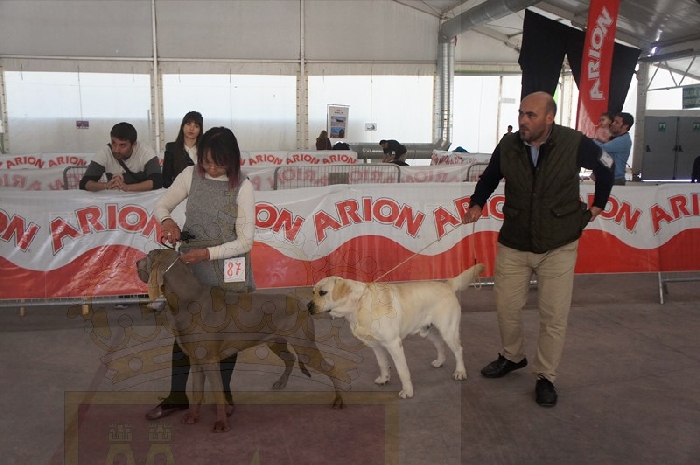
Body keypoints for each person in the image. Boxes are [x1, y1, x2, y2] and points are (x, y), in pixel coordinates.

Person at [462, 91, 614, 407]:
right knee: (505, 306)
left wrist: (598, 205)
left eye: (530, 115)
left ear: (549, 118)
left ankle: (546, 376)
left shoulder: (575, 142)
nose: (523, 120)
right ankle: (512, 356)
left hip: (559, 243)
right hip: (515, 240)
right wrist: (477, 203)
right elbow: (490, 176)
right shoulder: (509, 145)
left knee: (553, 314)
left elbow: (607, 166)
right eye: (521, 113)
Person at [146, 126, 256, 420]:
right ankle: (177, 396)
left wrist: (208, 253)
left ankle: (224, 395)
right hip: (192, 269)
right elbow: (162, 204)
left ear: (232, 159)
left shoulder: (243, 186)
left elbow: (245, 241)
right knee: (186, 331)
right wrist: (167, 221)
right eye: (206, 161)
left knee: (227, 334)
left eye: (219, 163)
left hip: (228, 267)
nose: (211, 168)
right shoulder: (189, 175)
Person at [80, 122, 162, 191]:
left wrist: (127, 188)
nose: (116, 150)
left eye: (122, 145)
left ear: (134, 144)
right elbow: (85, 183)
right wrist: (107, 185)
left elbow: (157, 181)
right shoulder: (105, 153)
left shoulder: (146, 152)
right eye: (114, 143)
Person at [162, 111, 203, 188]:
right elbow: (166, 180)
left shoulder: (204, 149)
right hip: (178, 190)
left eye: (196, 126)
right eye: (188, 124)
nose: (191, 129)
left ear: (200, 130)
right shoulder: (171, 148)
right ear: (182, 126)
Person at [595, 112, 633, 186]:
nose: (613, 124)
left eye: (617, 122)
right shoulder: (616, 138)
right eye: (614, 121)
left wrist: (596, 138)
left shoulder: (622, 140)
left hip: (615, 179)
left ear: (625, 126)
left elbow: (601, 148)